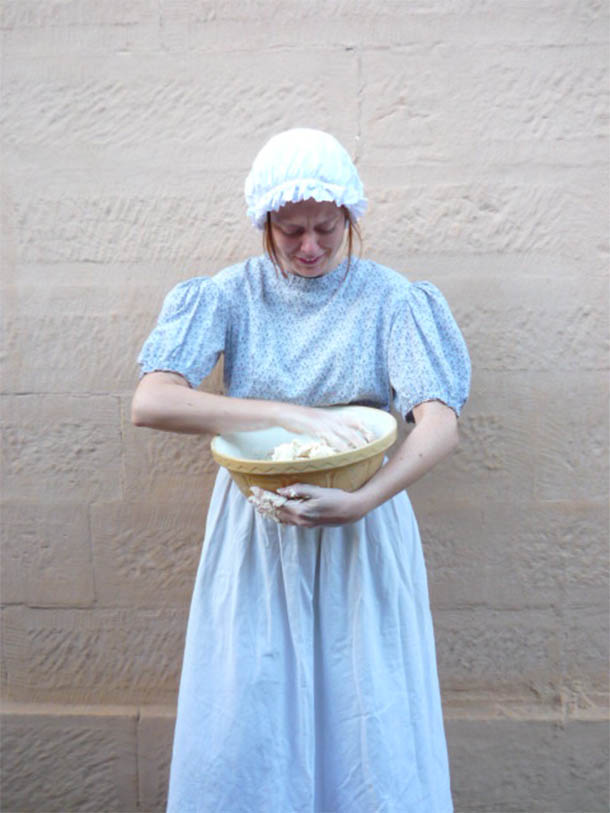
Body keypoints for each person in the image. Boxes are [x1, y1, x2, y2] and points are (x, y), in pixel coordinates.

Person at [132, 128, 471, 813]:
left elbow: (439, 423)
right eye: (291, 232)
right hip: (259, 532)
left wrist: (363, 500)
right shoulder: (228, 295)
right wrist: (290, 415)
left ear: (349, 216)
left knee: (366, 703)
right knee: (253, 708)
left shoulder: (392, 300)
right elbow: (152, 399)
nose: (310, 247)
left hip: (361, 531)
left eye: (326, 228)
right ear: (265, 223)